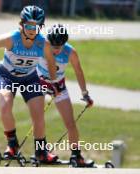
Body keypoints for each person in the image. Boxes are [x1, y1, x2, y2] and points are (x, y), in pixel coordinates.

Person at [0, 6, 60, 163]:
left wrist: (54, 82)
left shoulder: (43, 44)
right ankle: (12, 145)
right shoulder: (11, 38)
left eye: (36, 26)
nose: (32, 30)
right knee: (5, 106)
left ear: (40, 27)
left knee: (38, 114)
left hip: (30, 78)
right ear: (21, 24)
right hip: (6, 77)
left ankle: (41, 152)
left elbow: (51, 62)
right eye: (29, 25)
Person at [37, 24, 94, 167]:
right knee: (38, 119)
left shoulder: (70, 52)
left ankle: (76, 155)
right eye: (53, 46)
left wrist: (85, 94)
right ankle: (41, 152)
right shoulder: (40, 45)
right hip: (39, 82)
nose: (56, 50)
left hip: (59, 86)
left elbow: (78, 72)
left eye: (59, 46)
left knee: (70, 123)